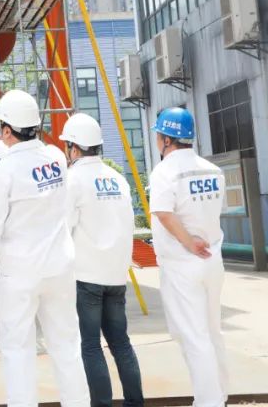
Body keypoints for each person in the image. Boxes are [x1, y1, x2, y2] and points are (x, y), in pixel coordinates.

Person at [0, 90, 90, 407]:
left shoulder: (1, 175)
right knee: (67, 347)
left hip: (19, 276)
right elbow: (25, 159)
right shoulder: (57, 158)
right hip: (59, 271)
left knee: (17, 352)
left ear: (7, 130)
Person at [61, 113, 144, 407]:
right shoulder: (117, 179)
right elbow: (128, 223)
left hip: (86, 277)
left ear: (73, 148)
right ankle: (135, 403)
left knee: (90, 346)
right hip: (116, 275)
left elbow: (64, 229)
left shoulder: (73, 180)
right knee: (121, 343)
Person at [149, 107, 228, 407]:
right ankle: (219, 395)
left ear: (167, 139)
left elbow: (163, 213)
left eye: (159, 135)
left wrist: (189, 242)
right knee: (211, 330)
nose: (158, 140)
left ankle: (208, 402)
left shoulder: (164, 171)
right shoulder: (212, 170)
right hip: (213, 260)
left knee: (193, 336)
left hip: (183, 263)